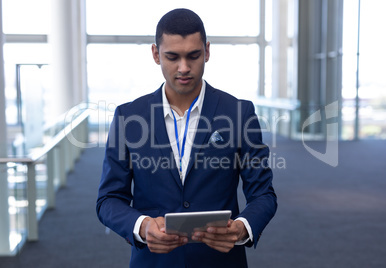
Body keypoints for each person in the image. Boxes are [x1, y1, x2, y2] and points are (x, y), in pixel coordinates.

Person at [96, 8, 277, 268]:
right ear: (156, 54)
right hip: (154, 261)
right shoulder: (128, 117)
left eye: (193, 56)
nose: (184, 68)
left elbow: (263, 194)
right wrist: (142, 226)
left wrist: (241, 228)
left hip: (220, 261)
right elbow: (108, 199)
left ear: (207, 51)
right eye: (172, 57)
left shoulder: (239, 113)